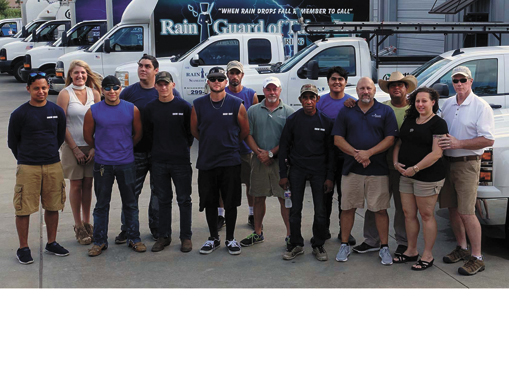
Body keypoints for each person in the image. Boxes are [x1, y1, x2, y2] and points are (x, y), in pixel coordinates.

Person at [114, 54, 181, 244]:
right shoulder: (129, 93)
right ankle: (127, 229)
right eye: (140, 66)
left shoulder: (168, 91)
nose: (143, 69)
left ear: (156, 70)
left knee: (158, 193)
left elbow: (180, 118)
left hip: (161, 153)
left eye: (147, 66)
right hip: (135, 152)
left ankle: (158, 229)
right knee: (131, 192)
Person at [333, 77, 398, 265]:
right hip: (352, 169)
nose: (365, 92)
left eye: (369, 88)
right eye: (362, 88)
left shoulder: (385, 111)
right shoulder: (346, 111)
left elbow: (390, 139)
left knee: (379, 209)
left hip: (377, 170)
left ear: (375, 91)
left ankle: (384, 247)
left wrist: (369, 153)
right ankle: (344, 244)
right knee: (347, 208)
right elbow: (338, 139)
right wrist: (357, 155)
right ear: (357, 91)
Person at [352, 71, 417, 257]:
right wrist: (350, 102)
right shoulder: (382, 108)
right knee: (375, 203)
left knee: (402, 205)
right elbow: (361, 107)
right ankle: (371, 240)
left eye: (400, 85)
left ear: (406, 88)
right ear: (388, 90)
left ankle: (403, 241)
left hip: (404, 164)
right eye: (392, 85)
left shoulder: (415, 109)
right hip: (380, 162)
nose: (396, 88)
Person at [438, 66, 495, 276]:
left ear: (471, 82)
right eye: (455, 80)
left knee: (467, 212)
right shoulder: (448, 103)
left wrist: (458, 143)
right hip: (447, 163)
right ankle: (462, 248)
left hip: (468, 163)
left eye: (463, 80)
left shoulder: (481, 106)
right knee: (452, 208)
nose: (459, 84)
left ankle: (477, 257)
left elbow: (488, 139)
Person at [8, 72, 69, 264]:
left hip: (53, 165)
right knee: (23, 209)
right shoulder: (19, 114)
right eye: (36, 88)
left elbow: (59, 137)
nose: (41, 92)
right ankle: (23, 248)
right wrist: (26, 159)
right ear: (28, 89)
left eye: (44, 88)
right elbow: (13, 142)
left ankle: (51, 243)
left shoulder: (57, 111)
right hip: (28, 168)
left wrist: (49, 155)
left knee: (53, 206)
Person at [83, 75, 146, 257]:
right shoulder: (93, 111)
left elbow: (138, 133)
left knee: (131, 203)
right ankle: (99, 241)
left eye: (115, 88)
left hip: (126, 163)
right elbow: (88, 136)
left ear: (120, 89)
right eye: (108, 88)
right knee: (102, 204)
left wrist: (124, 148)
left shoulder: (131, 109)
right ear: (102, 90)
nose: (112, 91)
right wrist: (101, 149)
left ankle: (134, 238)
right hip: (103, 164)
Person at [190, 67, 250, 255]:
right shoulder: (198, 104)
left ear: (226, 82)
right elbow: (195, 131)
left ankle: (230, 238)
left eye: (220, 79)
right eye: (212, 79)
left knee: (231, 202)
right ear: (207, 82)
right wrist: (211, 143)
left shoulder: (236, 104)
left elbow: (245, 131)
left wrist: (229, 143)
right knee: (209, 202)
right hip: (207, 161)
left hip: (230, 161)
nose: (216, 82)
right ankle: (213, 238)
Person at [393, 87, 448, 270]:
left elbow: (436, 153)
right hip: (406, 175)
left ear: (433, 102)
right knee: (408, 214)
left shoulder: (438, 124)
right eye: (417, 101)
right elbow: (399, 142)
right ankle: (411, 250)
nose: (420, 104)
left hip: (428, 177)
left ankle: (428, 255)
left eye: (424, 101)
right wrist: (395, 162)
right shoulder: (410, 119)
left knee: (426, 215)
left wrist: (415, 169)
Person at [278, 84, 334, 262]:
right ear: (300, 100)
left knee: (320, 210)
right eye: (305, 98)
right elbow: (284, 148)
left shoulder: (326, 122)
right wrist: (283, 175)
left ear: (317, 100)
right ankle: (296, 244)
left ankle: (318, 244)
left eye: (312, 98)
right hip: (297, 170)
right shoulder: (293, 120)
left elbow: (331, 153)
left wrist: (330, 177)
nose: (308, 101)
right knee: (295, 209)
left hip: (319, 171)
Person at [240, 76, 294, 247]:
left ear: (280, 90)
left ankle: (290, 235)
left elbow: (290, 139)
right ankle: (257, 232)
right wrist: (259, 153)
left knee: (284, 199)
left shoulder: (289, 112)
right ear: (263, 91)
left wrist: (271, 153)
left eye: (275, 89)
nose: (272, 92)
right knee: (257, 197)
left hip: (281, 163)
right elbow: (247, 134)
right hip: (258, 161)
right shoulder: (253, 111)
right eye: (268, 89)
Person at [144, 71, 194, 253]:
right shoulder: (150, 108)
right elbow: (148, 134)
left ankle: (186, 237)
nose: (163, 87)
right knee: (163, 200)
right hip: (158, 162)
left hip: (180, 162)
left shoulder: (184, 106)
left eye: (167, 84)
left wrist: (182, 149)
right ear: (155, 86)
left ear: (173, 85)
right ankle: (163, 236)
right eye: (160, 84)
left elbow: (190, 134)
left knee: (184, 200)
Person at [56, 60, 101, 246]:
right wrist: (74, 149)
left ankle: (87, 222)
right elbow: (61, 123)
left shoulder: (95, 93)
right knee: (75, 186)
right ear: (70, 75)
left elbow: (101, 121)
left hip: (91, 147)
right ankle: (78, 226)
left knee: (88, 185)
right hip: (71, 146)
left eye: (83, 72)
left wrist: (93, 147)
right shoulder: (65, 94)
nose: (80, 76)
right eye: (76, 73)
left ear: (87, 74)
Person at [317, 66, 356, 245]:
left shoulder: (353, 103)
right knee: (324, 195)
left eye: (340, 79)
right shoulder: (320, 102)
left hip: (345, 157)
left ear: (346, 82)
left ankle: (344, 231)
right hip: (324, 157)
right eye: (333, 79)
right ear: (328, 82)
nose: (337, 82)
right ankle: (323, 230)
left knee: (345, 196)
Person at [224, 60, 259, 229]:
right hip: (225, 149)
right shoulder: (220, 92)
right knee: (223, 185)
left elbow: (255, 122)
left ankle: (252, 214)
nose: (234, 76)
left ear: (242, 75)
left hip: (245, 149)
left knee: (250, 184)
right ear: (227, 75)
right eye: (231, 73)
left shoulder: (251, 94)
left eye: (237, 73)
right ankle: (220, 216)